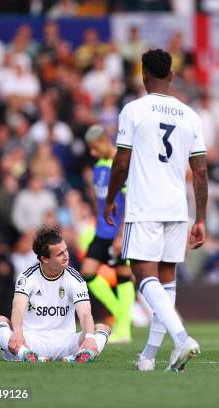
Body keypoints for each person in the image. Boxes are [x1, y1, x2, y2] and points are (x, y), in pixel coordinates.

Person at [104, 49, 208, 372]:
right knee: (166, 282)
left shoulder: (133, 110)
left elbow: (121, 161)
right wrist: (201, 217)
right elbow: (201, 171)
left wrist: (110, 199)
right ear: (172, 76)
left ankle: (181, 338)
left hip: (145, 205)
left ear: (144, 76)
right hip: (177, 208)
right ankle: (148, 356)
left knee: (143, 277)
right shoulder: (190, 115)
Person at [0, 226, 110, 363]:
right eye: (60, 254)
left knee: (102, 328)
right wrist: (17, 332)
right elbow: (18, 308)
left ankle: (24, 355)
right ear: (45, 259)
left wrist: (89, 336)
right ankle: (28, 354)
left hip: (66, 343)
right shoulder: (27, 277)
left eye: (65, 250)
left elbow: (85, 314)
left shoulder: (74, 278)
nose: (66, 256)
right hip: (32, 341)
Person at [81, 124, 134, 343]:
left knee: (123, 275)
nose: (92, 153)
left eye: (94, 148)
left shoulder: (121, 164)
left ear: (104, 141)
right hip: (102, 230)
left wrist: (122, 235)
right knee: (88, 272)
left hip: (117, 232)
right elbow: (99, 200)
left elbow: (129, 201)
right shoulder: (98, 167)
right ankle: (121, 316)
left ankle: (124, 330)